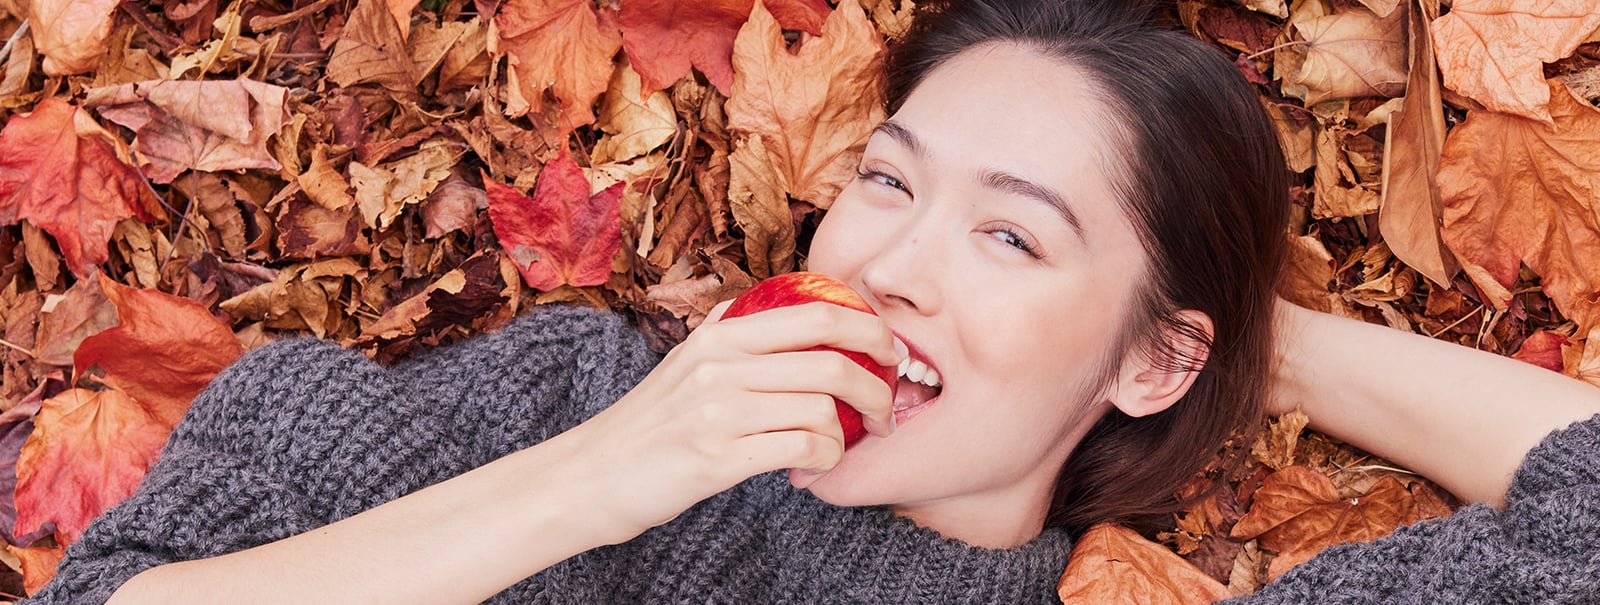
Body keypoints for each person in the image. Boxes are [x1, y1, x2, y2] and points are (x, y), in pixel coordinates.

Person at [30, 0, 1600, 603]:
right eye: (893, 182)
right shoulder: (565, 397)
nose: (893, 263)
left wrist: (1246, 341)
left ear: (1150, 355)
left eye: (1013, 238)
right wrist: (600, 478)